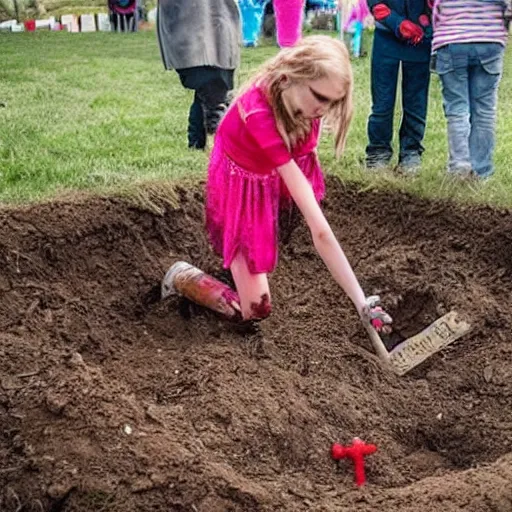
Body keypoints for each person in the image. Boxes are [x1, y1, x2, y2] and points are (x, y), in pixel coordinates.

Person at [202, 35, 392, 332]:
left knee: (294, 215)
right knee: (255, 309)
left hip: (273, 168)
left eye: (333, 102)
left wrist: (363, 302)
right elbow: (320, 230)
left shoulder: (303, 105)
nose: (324, 110)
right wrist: (360, 300)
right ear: (291, 78)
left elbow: (308, 198)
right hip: (242, 179)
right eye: (320, 97)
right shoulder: (258, 115)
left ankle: (248, 260)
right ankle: (190, 281)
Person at [432, 0, 509, 179]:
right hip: (490, 39)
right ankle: (482, 171)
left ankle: (460, 168)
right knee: (484, 110)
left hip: (451, 38)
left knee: (457, 108)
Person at [157, 0, 241, 150]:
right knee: (210, 83)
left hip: (219, 21)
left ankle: (197, 144)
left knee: (216, 86)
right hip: (191, 21)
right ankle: (224, 148)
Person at [365, 0, 433, 171]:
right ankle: (378, 152)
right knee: (382, 103)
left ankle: (411, 152)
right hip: (385, 38)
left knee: (416, 103)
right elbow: (375, 3)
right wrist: (396, 22)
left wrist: (427, 21)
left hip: (421, 38)